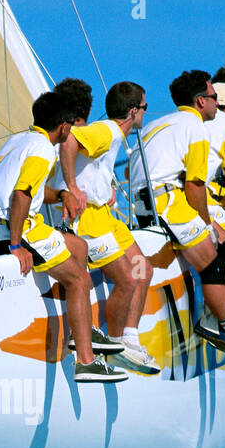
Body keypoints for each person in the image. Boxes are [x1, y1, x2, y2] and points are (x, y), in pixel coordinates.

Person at [0, 92, 128, 383]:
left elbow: (29, 187)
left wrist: (62, 194)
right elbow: (22, 194)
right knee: (79, 280)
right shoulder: (43, 149)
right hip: (14, 228)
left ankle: (79, 331)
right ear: (64, 126)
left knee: (78, 247)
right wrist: (16, 245)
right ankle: (85, 361)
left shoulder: (20, 141)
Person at [128, 70, 225, 359]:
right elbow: (195, 186)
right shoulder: (195, 126)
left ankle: (217, 322)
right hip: (167, 201)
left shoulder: (159, 123)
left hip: (144, 201)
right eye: (214, 98)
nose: (217, 103)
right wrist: (207, 224)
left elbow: (129, 170)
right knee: (215, 261)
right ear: (200, 102)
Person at [56, 79, 161, 375]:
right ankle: (115, 345)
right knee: (127, 279)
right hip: (89, 217)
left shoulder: (114, 136)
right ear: (132, 111)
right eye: (144, 107)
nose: (145, 113)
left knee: (143, 269)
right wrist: (73, 187)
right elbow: (69, 140)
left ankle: (129, 337)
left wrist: (103, 185)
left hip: (106, 214)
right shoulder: (106, 130)